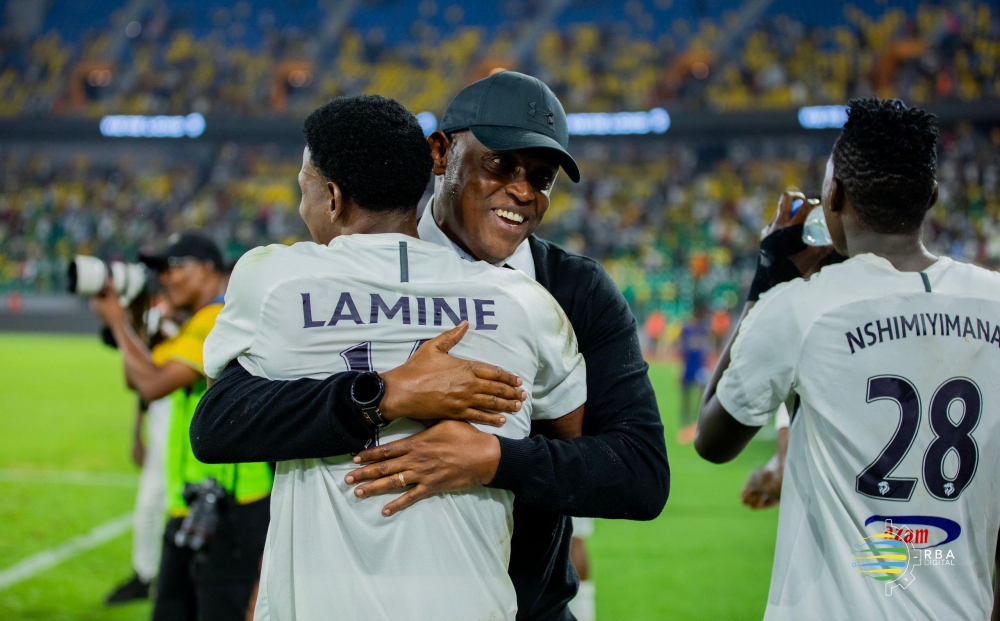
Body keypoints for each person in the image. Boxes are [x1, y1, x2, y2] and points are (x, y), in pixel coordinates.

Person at [193, 71, 670, 620]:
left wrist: (495, 458)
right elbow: (225, 422)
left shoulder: (569, 293)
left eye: (541, 179)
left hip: (523, 607)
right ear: (440, 153)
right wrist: (381, 394)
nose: (522, 191)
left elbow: (637, 475)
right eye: (500, 164)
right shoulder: (324, 277)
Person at [695, 98, 1000, 620]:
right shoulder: (993, 300)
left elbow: (714, 440)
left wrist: (766, 281)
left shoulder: (799, 308)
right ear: (930, 198)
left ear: (833, 195)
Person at [92, 232, 273, 621]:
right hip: (194, 499)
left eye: (173, 267)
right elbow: (137, 377)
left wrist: (119, 322)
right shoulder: (197, 321)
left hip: (230, 505)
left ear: (208, 268)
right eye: (160, 270)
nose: (166, 278)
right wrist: (136, 318)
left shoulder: (218, 318)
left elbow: (153, 383)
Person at [676, 301, 712, 445]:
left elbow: (707, 350)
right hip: (689, 366)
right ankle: (685, 422)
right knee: (686, 396)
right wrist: (680, 369)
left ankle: (697, 421)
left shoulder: (705, 329)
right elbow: (681, 350)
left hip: (700, 368)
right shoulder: (687, 329)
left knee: (702, 395)